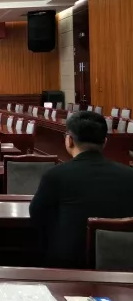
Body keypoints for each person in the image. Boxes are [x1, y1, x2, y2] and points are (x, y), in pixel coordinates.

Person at [30, 111, 133, 269]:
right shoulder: (129, 175)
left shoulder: (55, 175)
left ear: (69, 140)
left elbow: (37, 215)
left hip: (68, 266)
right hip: (122, 265)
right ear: (105, 142)